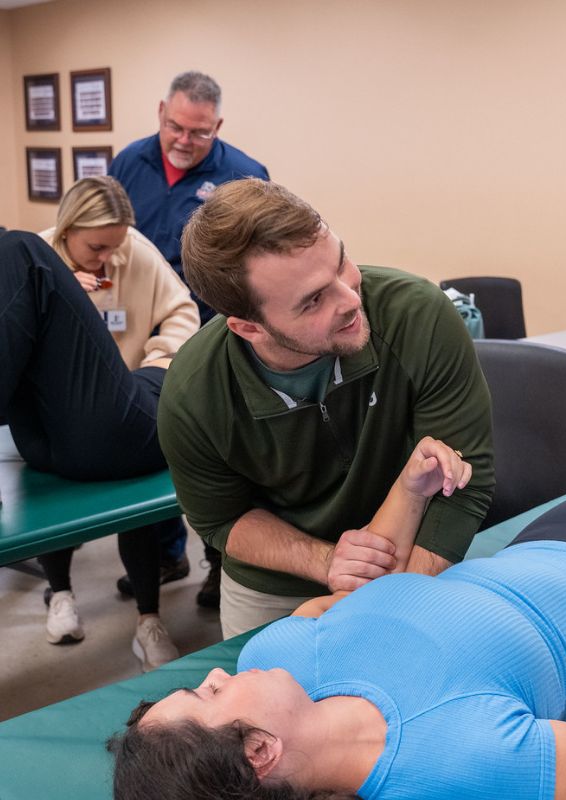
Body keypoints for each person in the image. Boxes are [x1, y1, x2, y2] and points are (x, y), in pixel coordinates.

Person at [110, 391, 566, 800]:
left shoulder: (282, 649)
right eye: (209, 695)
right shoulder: (445, 761)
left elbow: (338, 606)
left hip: (550, 541)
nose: (218, 672)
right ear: (259, 751)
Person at [156, 179, 495, 638]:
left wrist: (388, 608)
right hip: (272, 587)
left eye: (341, 262)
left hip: (413, 557)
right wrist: (327, 561)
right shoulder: (195, 391)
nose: (350, 298)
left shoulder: (419, 317)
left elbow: (464, 483)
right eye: (314, 299)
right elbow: (222, 519)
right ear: (248, 327)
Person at [110, 70, 269, 605]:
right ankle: (163, 553)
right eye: (175, 126)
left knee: (222, 454)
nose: (184, 140)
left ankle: (221, 562)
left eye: (198, 133)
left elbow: (261, 265)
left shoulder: (245, 177)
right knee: (153, 446)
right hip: (144, 337)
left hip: (217, 339)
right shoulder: (129, 163)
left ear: (217, 125)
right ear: (161, 112)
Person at [30, 177, 199, 667]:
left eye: (114, 247)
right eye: (96, 247)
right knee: (56, 499)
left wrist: (158, 365)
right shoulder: (38, 259)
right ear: (67, 229)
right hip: (58, 412)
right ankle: (61, 596)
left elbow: (182, 311)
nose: (105, 259)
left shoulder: (133, 250)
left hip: (125, 404)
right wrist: (66, 295)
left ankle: (149, 620)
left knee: (136, 500)